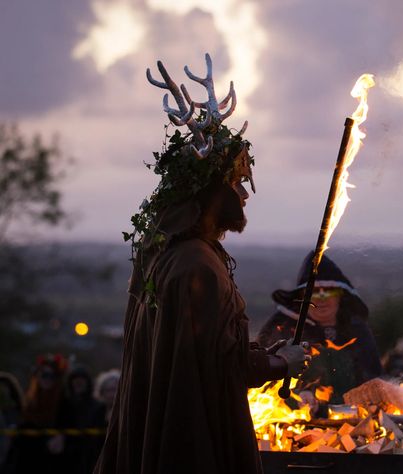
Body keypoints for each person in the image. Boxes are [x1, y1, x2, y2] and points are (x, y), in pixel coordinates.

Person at [94, 54, 308, 474]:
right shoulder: (196, 266)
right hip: (192, 439)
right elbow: (219, 364)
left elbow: (201, 348)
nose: (244, 196)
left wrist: (261, 351)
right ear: (212, 192)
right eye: (235, 183)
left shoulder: (159, 253)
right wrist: (284, 362)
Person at [257, 253, 382, 406]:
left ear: (340, 295)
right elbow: (262, 381)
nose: (321, 298)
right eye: (313, 292)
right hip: (296, 422)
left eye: (329, 291)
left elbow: (373, 375)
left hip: (355, 417)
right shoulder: (282, 327)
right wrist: (297, 396)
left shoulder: (357, 329)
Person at [56, 366, 107, 474]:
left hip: (90, 457)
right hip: (66, 458)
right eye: (75, 380)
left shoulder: (98, 407)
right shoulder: (63, 405)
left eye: (81, 380)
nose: (78, 383)